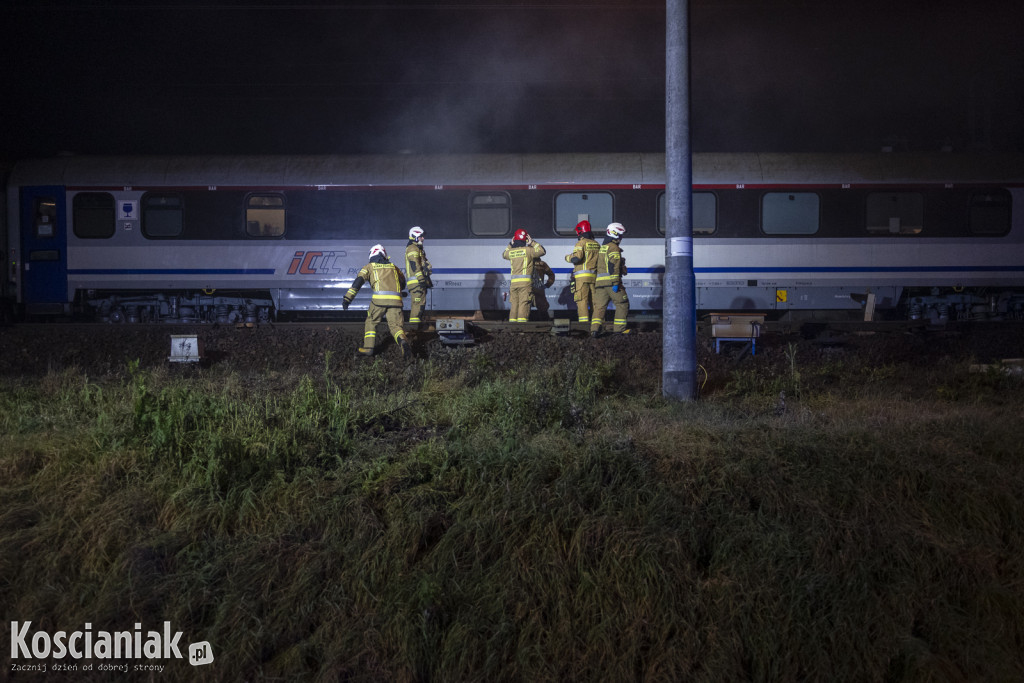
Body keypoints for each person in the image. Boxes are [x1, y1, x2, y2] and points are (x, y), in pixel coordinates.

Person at [343, 244, 412, 359]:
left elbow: (358, 282)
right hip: (396, 302)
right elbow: (403, 283)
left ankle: (369, 348)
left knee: (371, 321)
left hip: (378, 301)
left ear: (372, 255)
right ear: (383, 254)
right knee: (396, 327)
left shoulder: (369, 267)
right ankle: (403, 343)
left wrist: (347, 299)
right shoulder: (393, 267)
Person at [592, 222, 631, 336]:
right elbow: (613, 265)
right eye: (620, 235)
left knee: (599, 307)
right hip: (611, 283)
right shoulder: (614, 248)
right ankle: (619, 330)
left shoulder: (602, 248)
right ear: (615, 234)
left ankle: (595, 330)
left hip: (599, 284)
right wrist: (615, 282)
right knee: (622, 303)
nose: (621, 238)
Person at [501, 229, 546, 323]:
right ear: (525, 240)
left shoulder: (511, 252)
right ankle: (521, 327)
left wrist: (510, 244)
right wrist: (532, 242)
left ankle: (512, 325)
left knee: (514, 304)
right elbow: (542, 251)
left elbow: (504, 254)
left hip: (513, 285)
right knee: (523, 303)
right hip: (525, 284)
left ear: (515, 239)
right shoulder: (529, 250)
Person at [564, 219, 600, 325]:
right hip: (594, 278)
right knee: (595, 302)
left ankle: (584, 324)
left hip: (582, 278)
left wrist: (568, 257)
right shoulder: (596, 244)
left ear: (580, 231)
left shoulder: (581, 242)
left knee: (582, 301)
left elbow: (577, 258)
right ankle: (596, 324)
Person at [404, 226, 433, 331]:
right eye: (421, 237)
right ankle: (414, 329)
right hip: (416, 282)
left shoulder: (418, 249)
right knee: (417, 305)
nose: (423, 239)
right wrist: (421, 279)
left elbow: (424, 264)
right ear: (415, 236)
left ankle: (417, 327)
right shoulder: (413, 248)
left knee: (420, 304)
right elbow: (414, 265)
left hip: (418, 281)